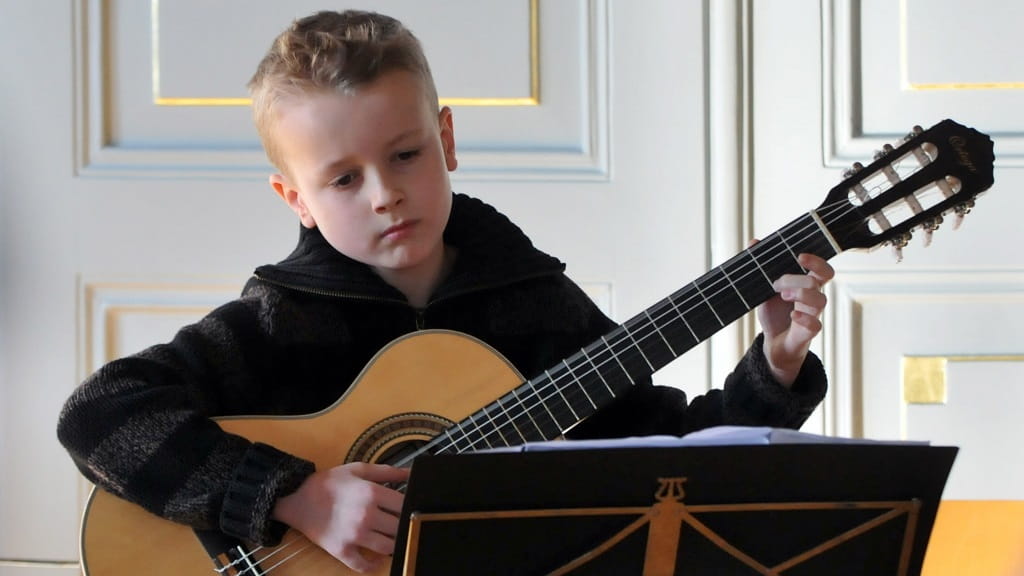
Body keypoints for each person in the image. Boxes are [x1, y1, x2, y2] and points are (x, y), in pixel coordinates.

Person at [57, 9, 835, 574]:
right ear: (294, 198)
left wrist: (776, 367)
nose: (384, 195)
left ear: (448, 140)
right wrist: (290, 496)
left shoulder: (536, 304)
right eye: (342, 179)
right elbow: (97, 416)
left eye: (404, 155)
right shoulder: (276, 321)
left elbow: (666, 466)